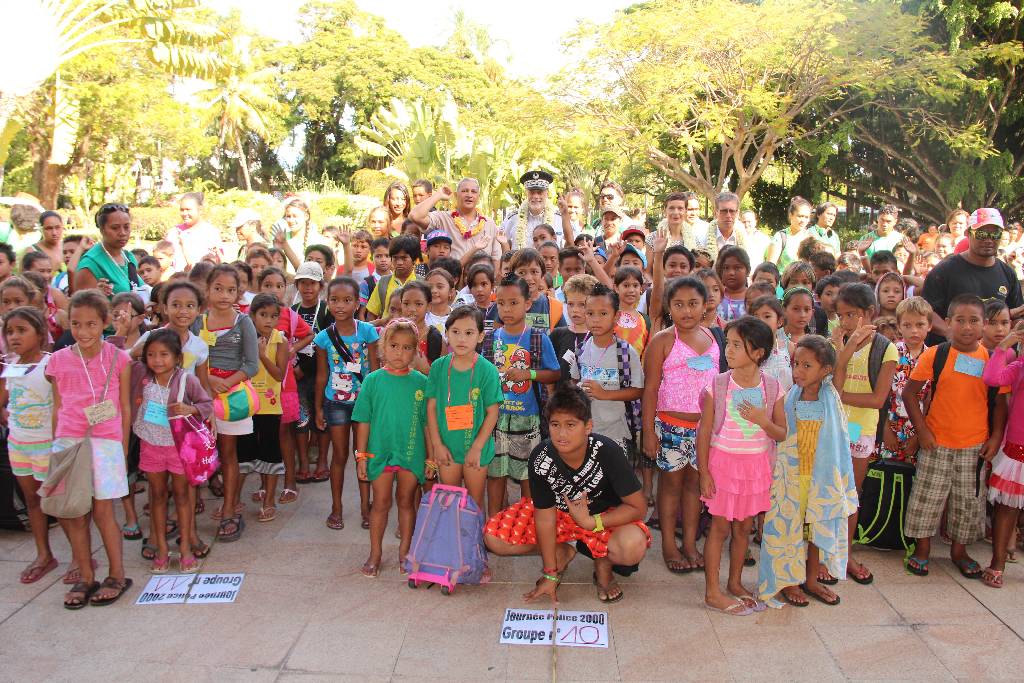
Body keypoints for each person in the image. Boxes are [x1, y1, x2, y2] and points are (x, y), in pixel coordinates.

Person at [484, 385, 651, 604]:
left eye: (571, 425)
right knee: (494, 538)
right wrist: (550, 572)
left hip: (603, 519)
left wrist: (592, 522)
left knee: (632, 547)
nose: (562, 434)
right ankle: (562, 550)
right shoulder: (541, 458)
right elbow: (544, 517)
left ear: (588, 426)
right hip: (559, 517)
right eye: (555, 425)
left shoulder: (607, 451)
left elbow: (639, 507)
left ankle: (603, 564)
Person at [903, 294, 1008, 579]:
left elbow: (999, 402)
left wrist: (996, 437)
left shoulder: (990, 360)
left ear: (984, 324)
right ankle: (922, 550)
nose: (966, 327)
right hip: (936, 442)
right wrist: (922, 430)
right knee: (927, 499)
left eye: (974, 321)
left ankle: (959, 552)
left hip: (974, 446)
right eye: (959, 321)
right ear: (948, 323)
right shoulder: (935, 355)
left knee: (968, 502)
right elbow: (909, 393)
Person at [46, 290, 134, 608]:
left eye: (91, 324)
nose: (83, 332)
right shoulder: (56, 361)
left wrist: (122, 450)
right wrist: (55, 447)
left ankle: (117, 574)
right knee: (75, 514)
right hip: (69, 443)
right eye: (76, 324)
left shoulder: (118, 358)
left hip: (107, 444)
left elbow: (124, 407)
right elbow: (57, 407)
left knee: (103, 512)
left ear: (105, 323)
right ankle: (85, 575)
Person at [758, 336, 858, 607]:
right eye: (795, 364)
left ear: (825, 370)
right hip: (793, 476)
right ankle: (790, 581)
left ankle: (811, 578)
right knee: (790, 528)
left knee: (816, 527)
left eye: (807, 366)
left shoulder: (831, 396)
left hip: (820, 477)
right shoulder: (788, 397)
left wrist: (847, 347)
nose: (798, 371)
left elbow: (841, 370)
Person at [697, 316, 786, 614]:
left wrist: (762, 420)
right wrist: (704, 472)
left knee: (744, 529)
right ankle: (712, 591)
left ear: (758, 352)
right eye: (728, 344)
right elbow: (704, 432)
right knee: (719, 528)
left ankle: (734, 582)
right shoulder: (719, 385)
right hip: (723, 466)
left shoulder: (772, 388)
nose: (728, 350)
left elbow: (781, 433)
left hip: (755, 468)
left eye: (737, 345)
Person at [643, 276, 719, 573]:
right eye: (679, 305)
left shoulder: (712, 339)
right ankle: (669, 546)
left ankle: (689, 543)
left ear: (704, 306)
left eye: (693, 304)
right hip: (671, 427)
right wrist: (649, 432)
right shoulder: (663, 341)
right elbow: (650, 389)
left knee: (694, 486)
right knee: (671, 485)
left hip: (704, 430)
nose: (686, 311)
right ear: (669, 308)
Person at [830, 282, 898, 585]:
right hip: (830, 425)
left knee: (850, 494)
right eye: (841, 315)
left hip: (860, 428)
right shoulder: (838, 342)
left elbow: (878, 399)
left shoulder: (886, 349)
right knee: (824, 490)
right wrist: (839, 349)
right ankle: (820, 553)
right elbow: (827, 381)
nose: (845, 322)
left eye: (851, 315)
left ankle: (844, 553)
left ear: (869, 313)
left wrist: (839, 396)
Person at [128, 328, 212, 573]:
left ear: (177, 357)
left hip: (178, 448)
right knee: (157, 496)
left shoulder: (187, 379)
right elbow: (119, 359)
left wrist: (190, 409)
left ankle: (186, 548)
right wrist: (123, 333)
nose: (157, 360)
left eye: (164, 354)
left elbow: (206, 403)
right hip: (150, 445)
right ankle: (162, 550)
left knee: (183, 496)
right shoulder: (141, 376)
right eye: (151, 354)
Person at [352, 317, 428, 577]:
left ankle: (406, 553)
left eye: (408, 347)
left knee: (407, 501)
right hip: (379, 452)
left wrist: (430, 458)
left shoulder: (421, 382)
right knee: (380, 503)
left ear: (416, 350)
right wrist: (361, 457)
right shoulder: (373, 381)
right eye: (394, 346)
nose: (400, 352)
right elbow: (362, 421)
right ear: (383, 347)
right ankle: (375, 554)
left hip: (411, 451)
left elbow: (428, 424)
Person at [480, 275, 560, 517]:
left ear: (527, 303)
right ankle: (494, 524)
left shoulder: (537, 337)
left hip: (528, 418)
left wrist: (530, 374)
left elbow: (554, 373)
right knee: (495, 475)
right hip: (495, 419)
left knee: (528, 475)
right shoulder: (491, 338)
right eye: (501, 303)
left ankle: (527, 524)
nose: (506, 309)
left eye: (513, 303)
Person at [195, 265, 259, 543]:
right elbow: (191, 358)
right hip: (203, 395)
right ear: (207, 290)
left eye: (230, 289)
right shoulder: (199, 322)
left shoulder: (243, 321)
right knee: (200, 451)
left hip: (233, 397)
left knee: (229, 454)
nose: (224, 295)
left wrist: (229, 381)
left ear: (239, 292)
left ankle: (230, 510)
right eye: (218, 288)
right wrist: (208, 380)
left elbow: (252, 364)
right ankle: (191, 504)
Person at [314, 276, 380, 530]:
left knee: (363, 454)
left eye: (347, 300)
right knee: (340, 455)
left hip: (364, 403)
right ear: (328, 302)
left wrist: (377, 403)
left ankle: (366, 508)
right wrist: (318, 407)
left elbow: (374, 370)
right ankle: (336, 508)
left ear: (356, 303)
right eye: (334, 300)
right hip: (336, 403)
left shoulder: (368, 332)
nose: (340, 305)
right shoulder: (323, 338)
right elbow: (321, 375)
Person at [425, 306, 503, 509]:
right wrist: (437, 445)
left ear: (480, 336)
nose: (461, 339)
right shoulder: (438, 367)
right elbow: (431, 407)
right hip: (447, 447)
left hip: (476, 449)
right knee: (449, 501)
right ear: (447, 333)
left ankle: (475, 542)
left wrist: (477, 447)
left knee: (474, 503)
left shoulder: (487, 370)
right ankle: (453, 541)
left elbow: (492, 412)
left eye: (469, 333)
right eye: (455, 332)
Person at [1, 307, 57, 584]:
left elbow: (62, 405)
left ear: (40, 333)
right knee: (33, 501)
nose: (14, 337)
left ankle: (81, 558)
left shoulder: (51, 365)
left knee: (58, 503)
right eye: (9, 331)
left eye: (21, 330)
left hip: (47, 446)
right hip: (19, 446)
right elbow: (4, 402)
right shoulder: (10, 368)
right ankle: (44, 554)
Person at [922, 208, 1023, 345]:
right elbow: (925, 310)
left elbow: (1016, 316)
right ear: (968, 234)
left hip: (994, 358)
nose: (988, 239)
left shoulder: (1008, 273)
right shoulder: (944, 270)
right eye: (981, 233)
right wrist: (950, 333)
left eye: (995, 234)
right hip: (950, 356)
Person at [237, 294, 289, 523]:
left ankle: (269, 501)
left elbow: (278, 374)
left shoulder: (280, 340)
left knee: (270, 453)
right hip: (245, 405)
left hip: (269, 407)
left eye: (274, 316)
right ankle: (233, 501)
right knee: (243, 454)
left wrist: (260, 356)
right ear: (252, 315)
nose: (268, 320)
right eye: (263, 315)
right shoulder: (243, 338)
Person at [982, 322, 1024, 588]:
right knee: (1006, 509)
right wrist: (1002, 348)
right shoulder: (1019, 366)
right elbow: (991, 379)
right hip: (1017, 450)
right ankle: (997, 563)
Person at [881, 297, 933, 463]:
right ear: (899, 327)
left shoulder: (934, 358)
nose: (914, 331)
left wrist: (919, 436)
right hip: (888, 426)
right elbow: (880, 395)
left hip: (917, 430)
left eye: (920, 325)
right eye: (907, 325)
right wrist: (885, 430)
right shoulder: (890, 353)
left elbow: (932, 402)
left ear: (929, 326)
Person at [409, 178, 503, 265]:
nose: (469, 195)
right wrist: (438, 195)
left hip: (480, 280)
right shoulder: (443, 218)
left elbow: (496, 258)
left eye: (473, 192)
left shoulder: (489, 224)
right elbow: (415, 216)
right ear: (456, 195)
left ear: (478, 197)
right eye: (464, 191)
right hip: (450, 278)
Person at [74, 204, 141, 297]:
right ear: (102, 229)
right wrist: (97, 295)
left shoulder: (129, 258)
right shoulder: (90, 265)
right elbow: (83, 306)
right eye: (115, 228)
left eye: (126, 227)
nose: (122, 233)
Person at [645, 192, 717, 263]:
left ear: (685, 211)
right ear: (665, 211)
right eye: (671, 208)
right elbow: (647, 272)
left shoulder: (693, 239)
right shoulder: (653, 238)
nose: (676, 212)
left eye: (680, 208)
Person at [364, 235, 421, 323]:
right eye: (395, 258)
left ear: (414, 259)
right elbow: (372, 314)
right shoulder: (383, 282)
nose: (399, 262)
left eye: (404, 258)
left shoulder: (422, 283)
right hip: (387, 333)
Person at [503, 170, 563, 250]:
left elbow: (570, 246)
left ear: (547, 193)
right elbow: (503, 243)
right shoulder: (513, 219)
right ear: (526, 193)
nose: (535, 196)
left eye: (539, 192)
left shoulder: (559, 219)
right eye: (531, 192)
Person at [166, 193, 224, 271]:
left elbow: (219, 263)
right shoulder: (174, 233)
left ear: (200, 210)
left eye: (188, 210)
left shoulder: (211, 233)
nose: (185, 214)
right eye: (182, 210)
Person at [765, 196, 812, 270]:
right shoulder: (780, 237)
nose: (803, 220)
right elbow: (770, 268)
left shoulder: (811, 238)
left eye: (806, 217)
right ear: (791, 215)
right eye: (800, 216)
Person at [715, 245, 750, 322]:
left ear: (748, 271)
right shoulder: (715, 296)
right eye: (726, 268)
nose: (731, 273)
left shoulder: (753, 297)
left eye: (737, 268)